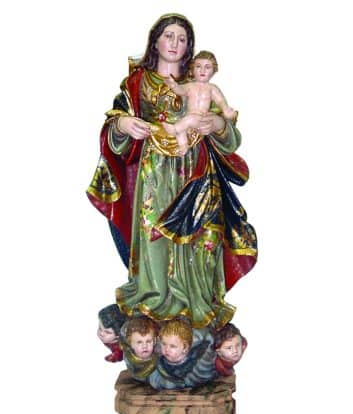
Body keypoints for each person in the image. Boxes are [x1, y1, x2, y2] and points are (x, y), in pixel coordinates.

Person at [87, 13, 257, 332]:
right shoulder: (137, 83)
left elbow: (231, 136)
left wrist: (217, 124)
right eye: (168, 36)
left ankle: (198, 304)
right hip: (154, 171)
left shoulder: (200, 83)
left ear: (189, 45)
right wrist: (123, 124)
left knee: (202, 238)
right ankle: (154, 300)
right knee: (154, 233)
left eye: (182, 38)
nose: (175, 44)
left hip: (197, 170)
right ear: (155, 41)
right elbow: (113, 128)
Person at [162, 50, 236, 155]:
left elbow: (220, 100)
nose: (202, 70)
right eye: (198, 66)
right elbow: (180, 90)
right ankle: (183, 146)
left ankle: (174, 129)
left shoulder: (212, 88)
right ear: (192, 69)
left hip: (202, 118)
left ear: (213, 70)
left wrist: (226, 110)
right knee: (182, 129)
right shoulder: (190, 86)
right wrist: (174, 85)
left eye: (207, 67)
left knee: (185, 123)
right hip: (189, 117)